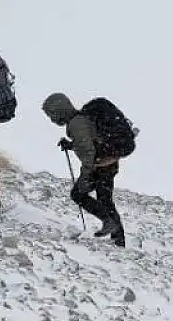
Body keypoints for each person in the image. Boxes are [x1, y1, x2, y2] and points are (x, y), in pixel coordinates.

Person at [41, 92, 129, 247]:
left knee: (78, 194)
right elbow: (90, 141)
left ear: (60, 111)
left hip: (100, 166)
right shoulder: (81, 119)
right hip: (109, 162)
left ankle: (110, 225)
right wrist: (71, 145)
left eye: (52, 115)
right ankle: (118, 237)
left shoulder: (76, 124)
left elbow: (88, 154)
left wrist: (85, 177)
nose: (52, 119)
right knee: (105, 199)